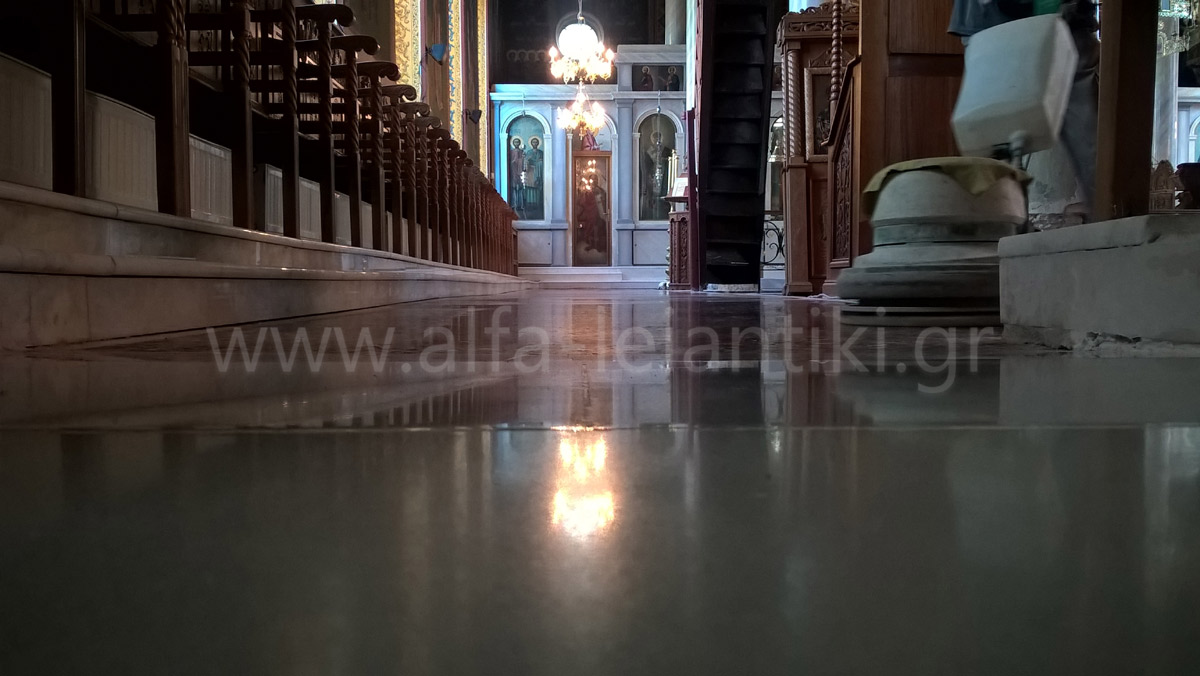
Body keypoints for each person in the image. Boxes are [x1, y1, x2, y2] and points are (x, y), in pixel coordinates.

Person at [949, 0, 1099, 216]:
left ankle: (1002, 221)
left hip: (997, 25)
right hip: (1017, 24)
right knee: (1085, 132)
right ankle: (1108, 209)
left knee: (992, 133)